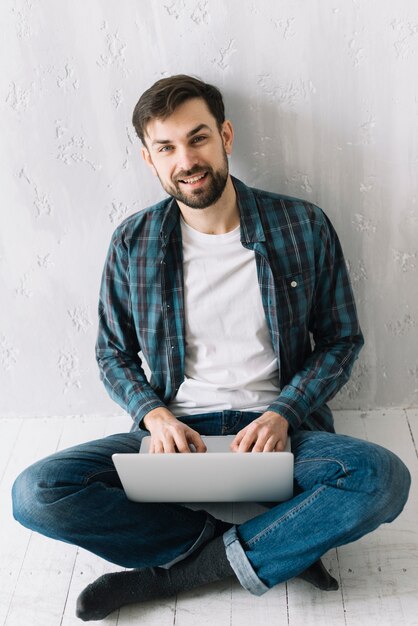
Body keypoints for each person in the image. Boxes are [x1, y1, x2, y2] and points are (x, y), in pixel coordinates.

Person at [12, 75, 411, 622]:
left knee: (381, 479)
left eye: (198, 138)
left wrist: (283, 413)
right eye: (167, 147)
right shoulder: (133, 241)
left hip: (279, 434)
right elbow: (113, 354)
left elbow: (341, 341)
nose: (186, 159)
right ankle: (271, 548)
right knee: (36, 494)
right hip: (179, 440)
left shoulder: (303, 224)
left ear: (225, 135)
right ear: (150, 160)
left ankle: (177, 576)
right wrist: (152, 416)